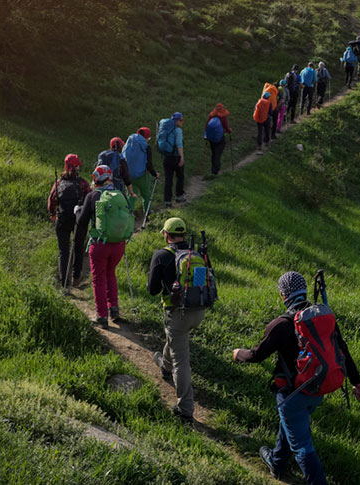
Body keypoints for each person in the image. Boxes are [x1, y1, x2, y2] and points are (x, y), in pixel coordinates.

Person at [233, 272, 360, 485]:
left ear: (282, 295)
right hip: (317, 389)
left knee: (302, 445)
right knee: (291, 424)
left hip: (292, 393)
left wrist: (238, 353)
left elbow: (256, 355)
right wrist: (357, 382)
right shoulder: (323, 318)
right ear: (304, 290)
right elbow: (342, 349)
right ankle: (277, 462)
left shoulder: (280, 324)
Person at [149, 217, 207, 420]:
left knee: (181, 360)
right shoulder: (195, 254)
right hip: (198, 311)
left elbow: (152, 290)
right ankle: (164, 367)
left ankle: (185, 409)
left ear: (167, 235)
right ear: (183, 234)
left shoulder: (162, 255)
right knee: (175, 340)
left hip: (177, 314)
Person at [75, 165, 132, 328]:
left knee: (99, 279)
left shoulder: (93, 196)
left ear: (95, 179)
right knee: (110, 274)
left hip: (100, 244)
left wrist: (77, 210)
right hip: (119, 244)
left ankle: (101, 316)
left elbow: (82, 221)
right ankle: (114, 309)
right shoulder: (120, 194)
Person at [47, 154, 91, 288]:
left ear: (66, 167)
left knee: (63, 252)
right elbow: (89, 199)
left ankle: (63, 282)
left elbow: (51, 200)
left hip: (62, 220)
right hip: (79, 220)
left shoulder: (59, 183)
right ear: (77, 167)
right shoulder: (83, 183)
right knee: (78, 248)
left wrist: (53, 214)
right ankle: (76, 278)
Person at [123, 127, 159, 217]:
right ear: (146, 137)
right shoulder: (146, 147)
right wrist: (155, 174)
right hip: (142, 175)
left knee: (131, 195)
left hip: (129, 175)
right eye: (149, 138)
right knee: (146, 195)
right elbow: (149, 164)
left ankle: (128, 215)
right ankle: (147, 213)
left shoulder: (129, 142)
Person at [157, 112, 186, 208]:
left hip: (166, 157)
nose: (182, 122)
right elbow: (179, 144)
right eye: (181, 120)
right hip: (176, 157)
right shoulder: (177, 130)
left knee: (168, 179)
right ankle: (179, 196)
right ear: (176, 121)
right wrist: (182, 157)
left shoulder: (165, 128)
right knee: (180, 177)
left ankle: (167, 201)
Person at [204, 104, 232, 175]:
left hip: (211, 139)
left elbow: (206, 126)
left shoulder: (211, 116)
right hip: (220, 138)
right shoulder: (223, 117)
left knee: (214, 153)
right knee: (218, 154)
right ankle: (215, 170)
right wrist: (229, 131)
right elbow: (226, 127)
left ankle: (213, 169)